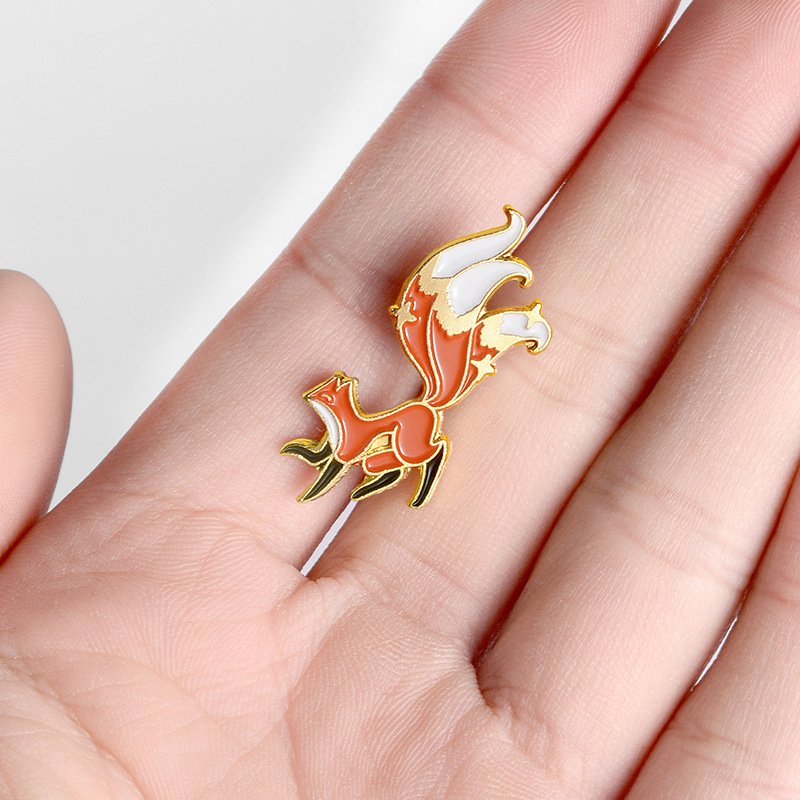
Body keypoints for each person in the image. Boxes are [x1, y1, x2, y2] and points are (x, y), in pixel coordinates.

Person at [1, 0, 800, 796]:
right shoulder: (378, 414)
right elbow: (345, 441)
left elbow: (361, 440)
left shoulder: (399, 414)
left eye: (336, 400)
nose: (334, 397)